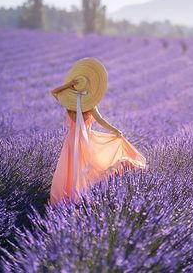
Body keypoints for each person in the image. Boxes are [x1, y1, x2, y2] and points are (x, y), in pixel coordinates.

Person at [48, 58, 146, 206]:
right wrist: (115, 131)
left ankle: (69, 199)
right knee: (83, 168)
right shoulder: (85, 104)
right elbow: (100, 120)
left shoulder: (70, 104)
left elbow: (54, 92)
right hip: (83, 141)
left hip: (73, 141)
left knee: (70, 169)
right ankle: (78, 198)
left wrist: (68, 85)